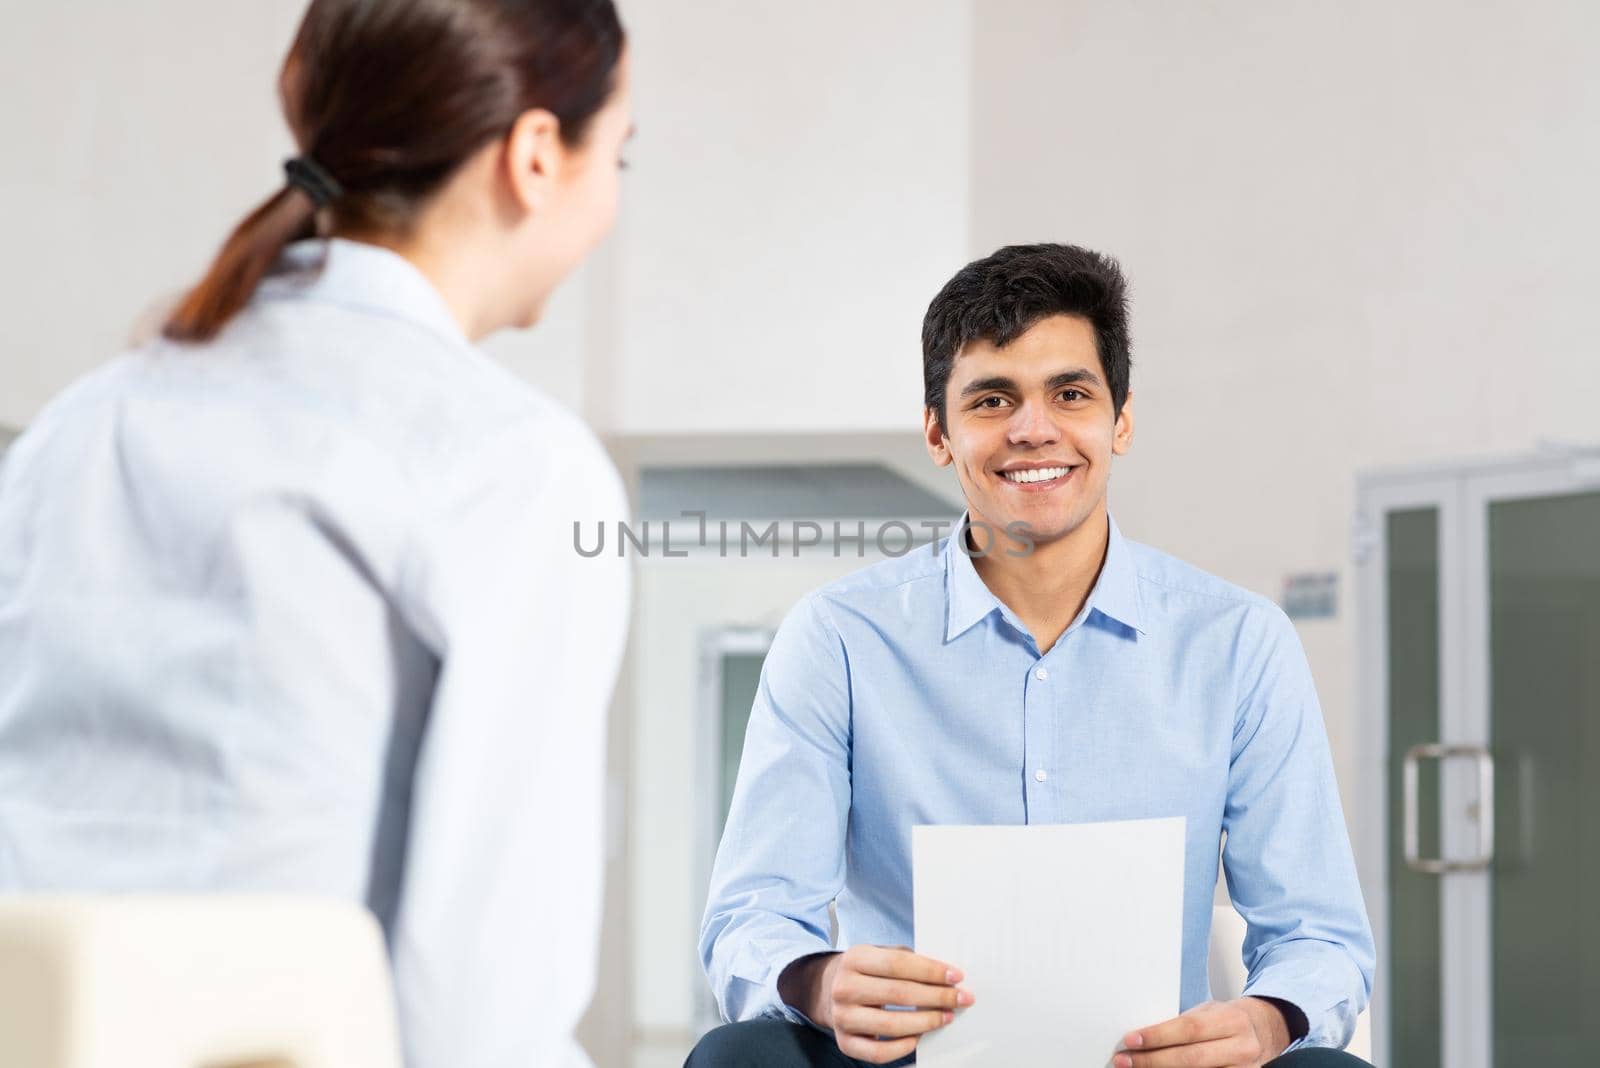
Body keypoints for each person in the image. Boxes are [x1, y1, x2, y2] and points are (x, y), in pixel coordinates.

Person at [0, 2, 632, 1065]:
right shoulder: (512, 465)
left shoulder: (82, 423)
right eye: (620, 153)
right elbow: (484, 998)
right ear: (534, 155)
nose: (613, 195)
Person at [690, 245, 1375, 1068]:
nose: (1033, 428)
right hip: (906, 1060)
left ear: (1120, 419)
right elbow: (753, 914)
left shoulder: (1239, 642)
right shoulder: (838, 638)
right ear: (939, 434)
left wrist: (1268, 1020)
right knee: (742, 1057)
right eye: (992, 399)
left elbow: (1318, 933)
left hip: (1147, 1061)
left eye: (1071, 394)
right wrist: (818, 982)